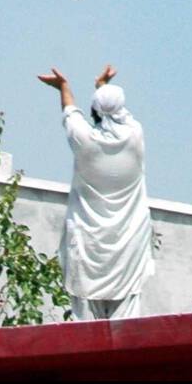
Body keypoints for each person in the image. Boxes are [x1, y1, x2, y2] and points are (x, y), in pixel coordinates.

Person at [38, 63, 155, 321]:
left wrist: (63, 86)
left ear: (94, 111)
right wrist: (103, 88)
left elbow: (71, 113)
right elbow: (118, 114)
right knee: (126, 336)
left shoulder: (85, 143)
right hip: (128, 250)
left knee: (87, 336)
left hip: (88, 248)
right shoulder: (135, 138)